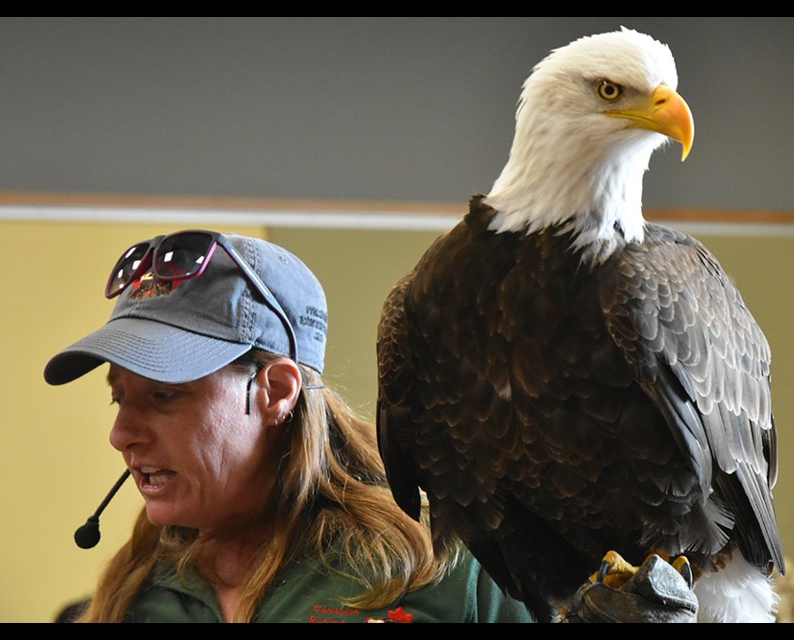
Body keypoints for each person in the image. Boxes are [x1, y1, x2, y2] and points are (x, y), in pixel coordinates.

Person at [44, 230, 533, 623]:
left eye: (164, 394)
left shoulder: (450, 564)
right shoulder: (138, 588)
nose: (121, 435)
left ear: (276, 390)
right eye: (118, 397)